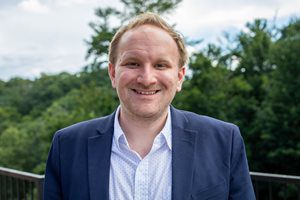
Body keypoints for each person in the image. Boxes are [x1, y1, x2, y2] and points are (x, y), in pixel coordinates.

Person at [44, 12, 255, 200]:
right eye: (133, 63)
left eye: (160, 65)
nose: (147, 79)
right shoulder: (67, 146)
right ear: (113, 73)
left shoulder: (224, 141)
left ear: (179, 77)